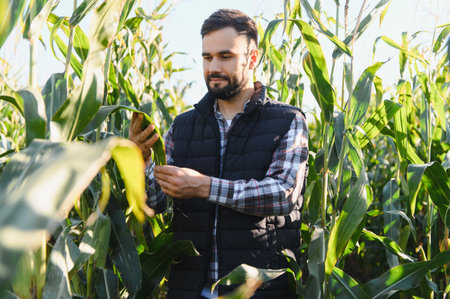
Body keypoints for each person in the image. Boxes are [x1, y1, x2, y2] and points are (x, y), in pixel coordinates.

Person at [129, 9, 308, 299]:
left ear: (252, 58)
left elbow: (283, 194)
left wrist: (203, 186)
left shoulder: (287, 120)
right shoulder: (183, 126)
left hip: (258, 290)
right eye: (207, 57)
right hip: (190, 289)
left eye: (225, 57)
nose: (213, 66)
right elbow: (158, 203)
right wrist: (143, 162)